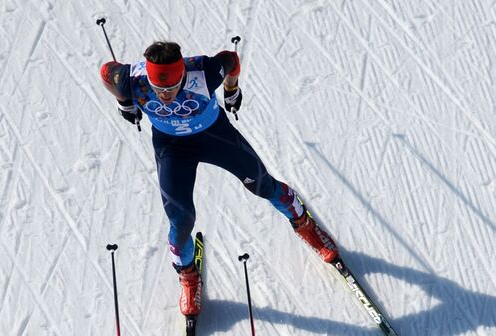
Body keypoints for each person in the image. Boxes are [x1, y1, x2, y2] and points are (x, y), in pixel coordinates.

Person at [99, 40, 340, 316]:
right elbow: (107, 72)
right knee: (180, 221)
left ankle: (304, 224)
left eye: (172, 88)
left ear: (182, 76)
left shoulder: (203, 71)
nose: (165, 95)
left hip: (214, 135)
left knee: (263, 185)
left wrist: (231, 89)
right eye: (159, 89)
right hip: (172, 148)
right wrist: (125, 102)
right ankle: (188, 276)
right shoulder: (131, 79)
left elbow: (231, 59)